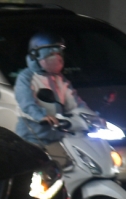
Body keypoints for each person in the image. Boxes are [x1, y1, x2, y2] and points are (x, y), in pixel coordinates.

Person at [14, 32, 94, 163]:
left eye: (59, 54)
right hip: (33, 138)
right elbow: (26, 103)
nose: (57, 58)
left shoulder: (59, 78)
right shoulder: (26, 78)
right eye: (51, 54)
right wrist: (41, 116)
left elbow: (74, 102)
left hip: (59, 137)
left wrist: (92, 116)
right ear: (36, 56)